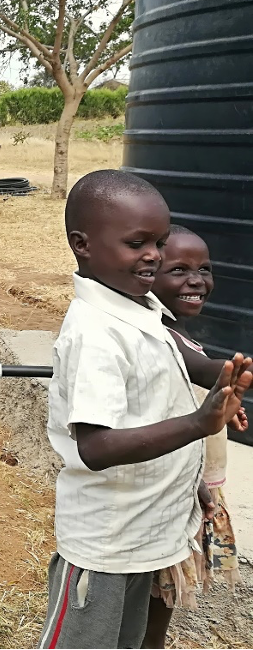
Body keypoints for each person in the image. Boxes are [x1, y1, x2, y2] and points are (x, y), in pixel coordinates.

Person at [39, 170, 252, 650]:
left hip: (145, 535)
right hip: (105, 545)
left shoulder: (141, 309)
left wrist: (227, 384)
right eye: (137, 243)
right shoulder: (95, 333)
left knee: (128, 642)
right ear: (82, 245)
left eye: (159, 241)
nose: (154, 254)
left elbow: (179, 380)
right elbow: (96, 447)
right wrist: (198, 423)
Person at [143, 225, 248, 649]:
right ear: (145, 275)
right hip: (177, 487)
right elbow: (205, 371)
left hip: (193, 482)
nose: (196, 280)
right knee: (158, 593)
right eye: (179, 270)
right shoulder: (159, 333)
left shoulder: (177, 331)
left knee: (162, 592)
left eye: (204, 269)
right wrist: (233, 376)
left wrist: (224, 401)